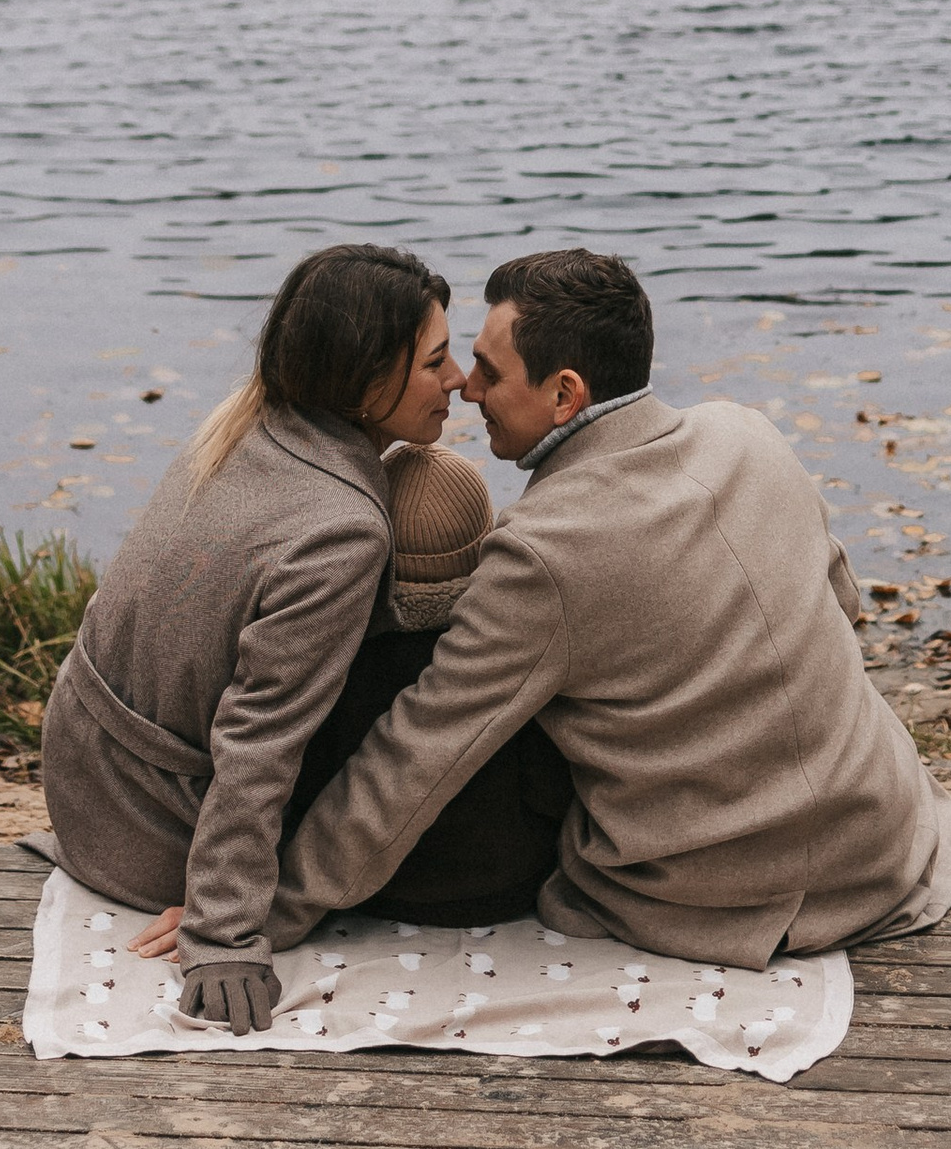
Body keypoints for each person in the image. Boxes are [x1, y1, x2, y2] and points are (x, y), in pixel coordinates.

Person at [265, 246, 951, 970]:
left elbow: (418, 754)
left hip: (723, 893)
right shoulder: (749, 435)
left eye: (490, 370)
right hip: (879, 839)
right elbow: (842, 603)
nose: (468, 389)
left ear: (565, 394)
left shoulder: (542, 550)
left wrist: (273, 906)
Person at [39, 242, 563, 1035]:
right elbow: (259, 739)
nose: (458, 382)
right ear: (361, 378)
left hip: (87, 779)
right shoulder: (342, 530)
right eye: (434, 362)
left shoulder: (245, 427)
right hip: (152, 826)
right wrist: (222, 935)